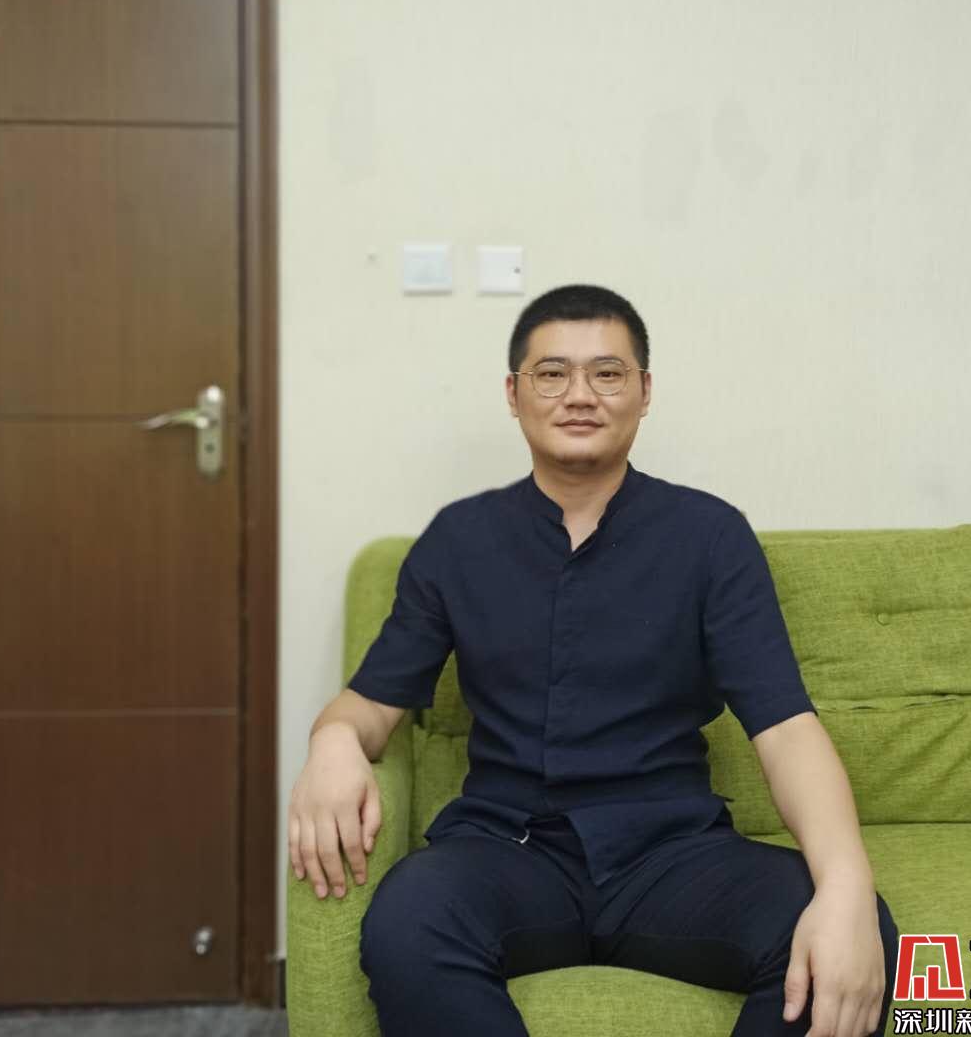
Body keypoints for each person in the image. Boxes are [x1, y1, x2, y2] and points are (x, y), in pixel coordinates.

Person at [288, 284, 898, 1036]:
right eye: (552, 374)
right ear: (513, 394)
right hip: (506, 852)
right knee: (409, 920)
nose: (580, 395)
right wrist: (332, 741)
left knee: (856, 928)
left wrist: (845, 884)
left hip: (671, 854)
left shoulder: (710, 537)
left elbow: (785, 726)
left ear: (645, 392)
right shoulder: (458, 541)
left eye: (608, 373)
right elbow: (372, 702)